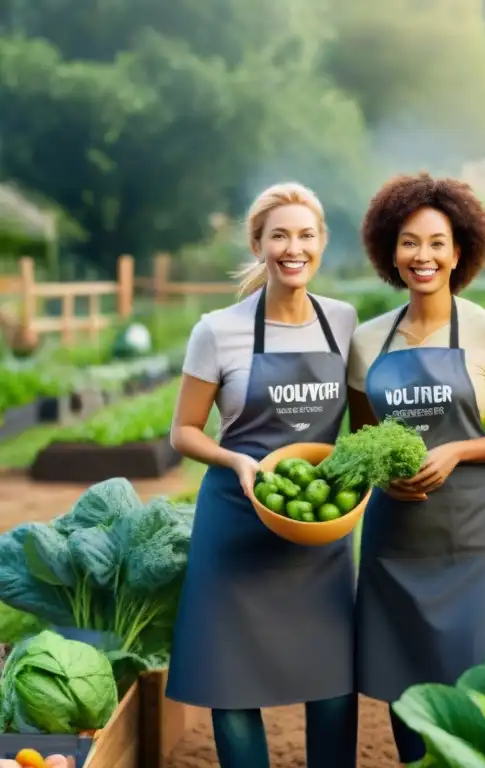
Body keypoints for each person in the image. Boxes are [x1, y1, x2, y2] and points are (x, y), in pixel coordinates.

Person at [166, 182, 359, 768]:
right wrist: (235, 459)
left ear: (322, 242)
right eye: (279, 235)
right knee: (233, 687)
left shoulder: (344, 322)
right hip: (238, 519)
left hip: (317, 527)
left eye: (305, 234)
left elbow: (364, 423)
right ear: (258, 244)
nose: (292, 247)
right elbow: (184, 432)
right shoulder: (217, 330)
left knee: (332, 683)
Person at [347, 172, 485, 763]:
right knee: (409, 693)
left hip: (476, 540)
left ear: (460, 252)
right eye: (408, 242)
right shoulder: (367, 341)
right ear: (389, 251)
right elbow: (361, 440)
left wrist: (455, 449)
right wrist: (383, 474)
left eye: (436, 242)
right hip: (396, 543)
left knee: (483, 693)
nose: (422, 256)